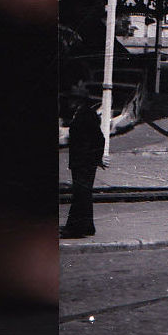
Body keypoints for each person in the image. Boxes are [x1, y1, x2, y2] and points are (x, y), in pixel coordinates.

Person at [60, 86, 106, 238]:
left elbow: (100, 138)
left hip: (84, 162)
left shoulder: (87, 115)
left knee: (80, 195)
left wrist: (95, 158)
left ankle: (75, 229)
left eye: (72, 99)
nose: (69, 102)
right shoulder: (80, 113)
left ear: (80, 100)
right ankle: (87, 226)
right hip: (81, 161)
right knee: (83, 194)